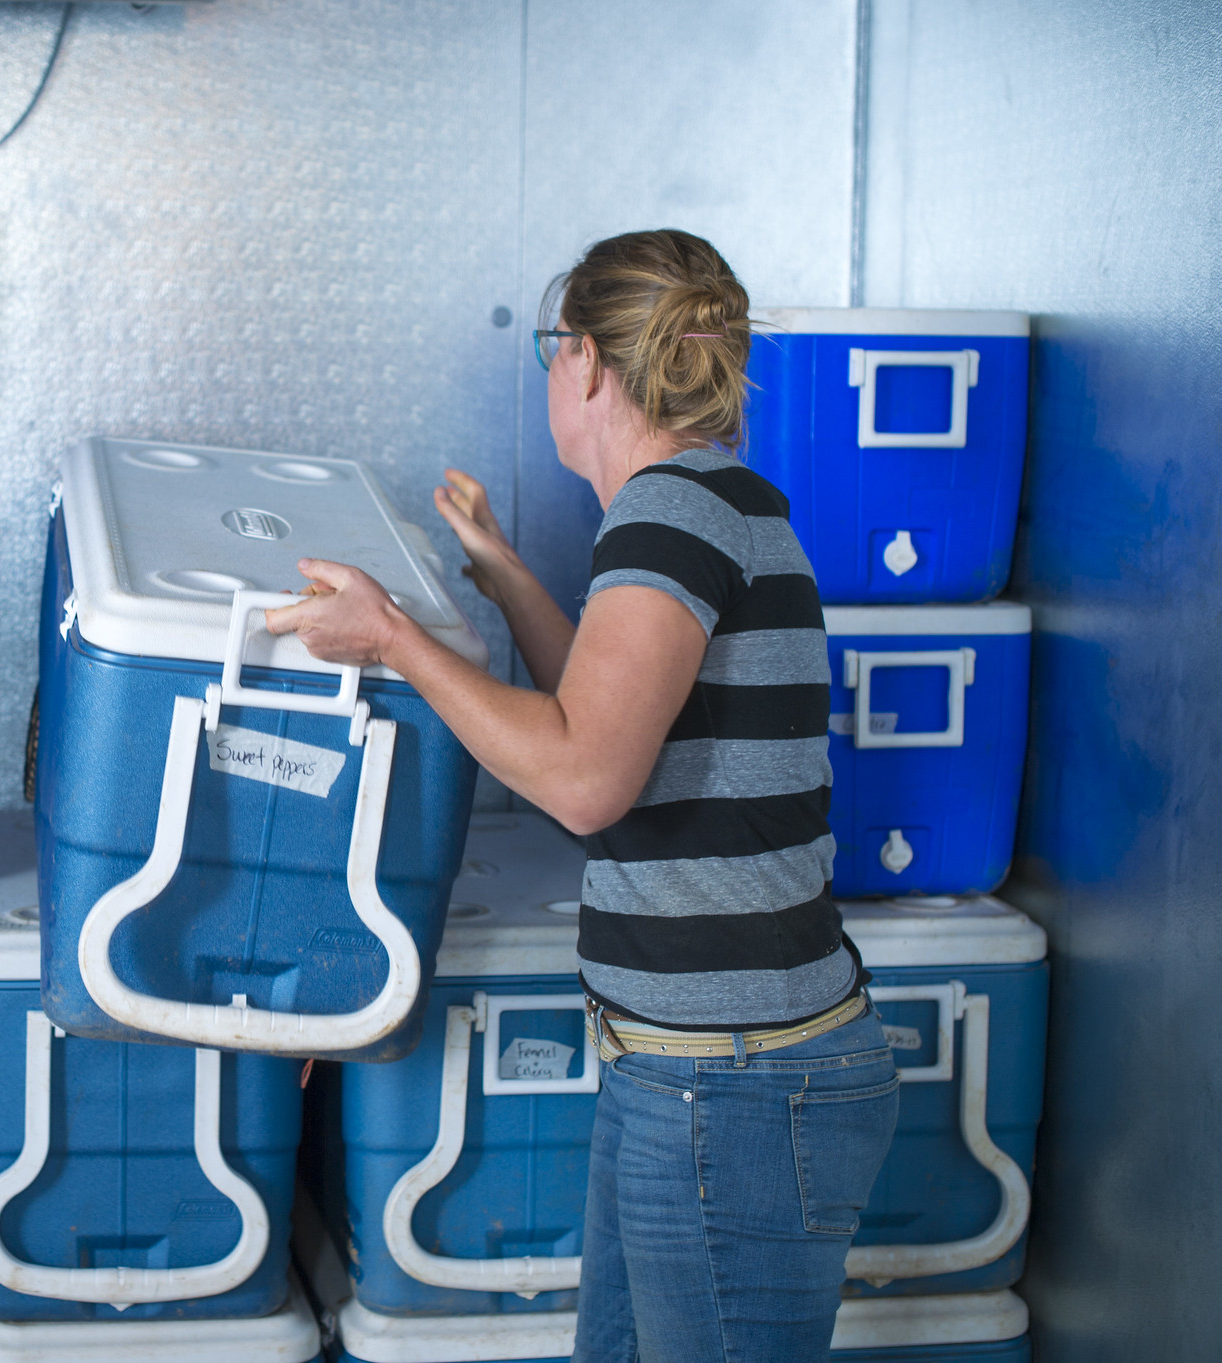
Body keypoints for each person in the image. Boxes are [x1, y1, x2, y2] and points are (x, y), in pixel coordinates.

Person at [265, 228, 898, 1360]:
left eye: (551, 349)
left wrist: (392, 639)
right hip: (701, 1071)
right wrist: (501, 571)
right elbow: (611, 714)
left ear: (590, 365)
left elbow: (584, 777)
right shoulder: (714, 501)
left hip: (730, 1085)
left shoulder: (668, 512)